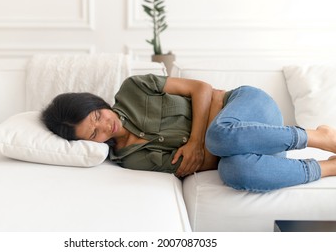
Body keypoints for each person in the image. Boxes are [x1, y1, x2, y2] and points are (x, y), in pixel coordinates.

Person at [41, 74, 336, 192]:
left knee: (219, 137)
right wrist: (209, 114)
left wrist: (197, 141)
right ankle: (328, 167)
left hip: (250, 107)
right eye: (94, 134)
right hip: (257, 147)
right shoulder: (131, 160)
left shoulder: (133, 88)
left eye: (97, 116)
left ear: (96, 102)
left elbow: (201, 88)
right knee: (234, 172)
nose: (105, 126)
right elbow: (202, 163)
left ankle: (319, 136)